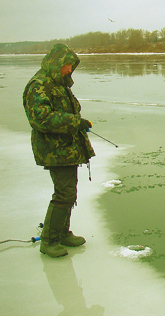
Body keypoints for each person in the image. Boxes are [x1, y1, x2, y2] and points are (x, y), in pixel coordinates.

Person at [23, 44, 95, 258]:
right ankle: (49, 240)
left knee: (69, 192)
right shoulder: (39, 85)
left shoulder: (59, 84)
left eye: (71, 66)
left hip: (66, 149)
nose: (69, 70)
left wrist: (77, 123)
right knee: (63, 193)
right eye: (67, 65)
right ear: (57, 63)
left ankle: (62, 233)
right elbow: (41, 119)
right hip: (54, 149)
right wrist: (75, 122)